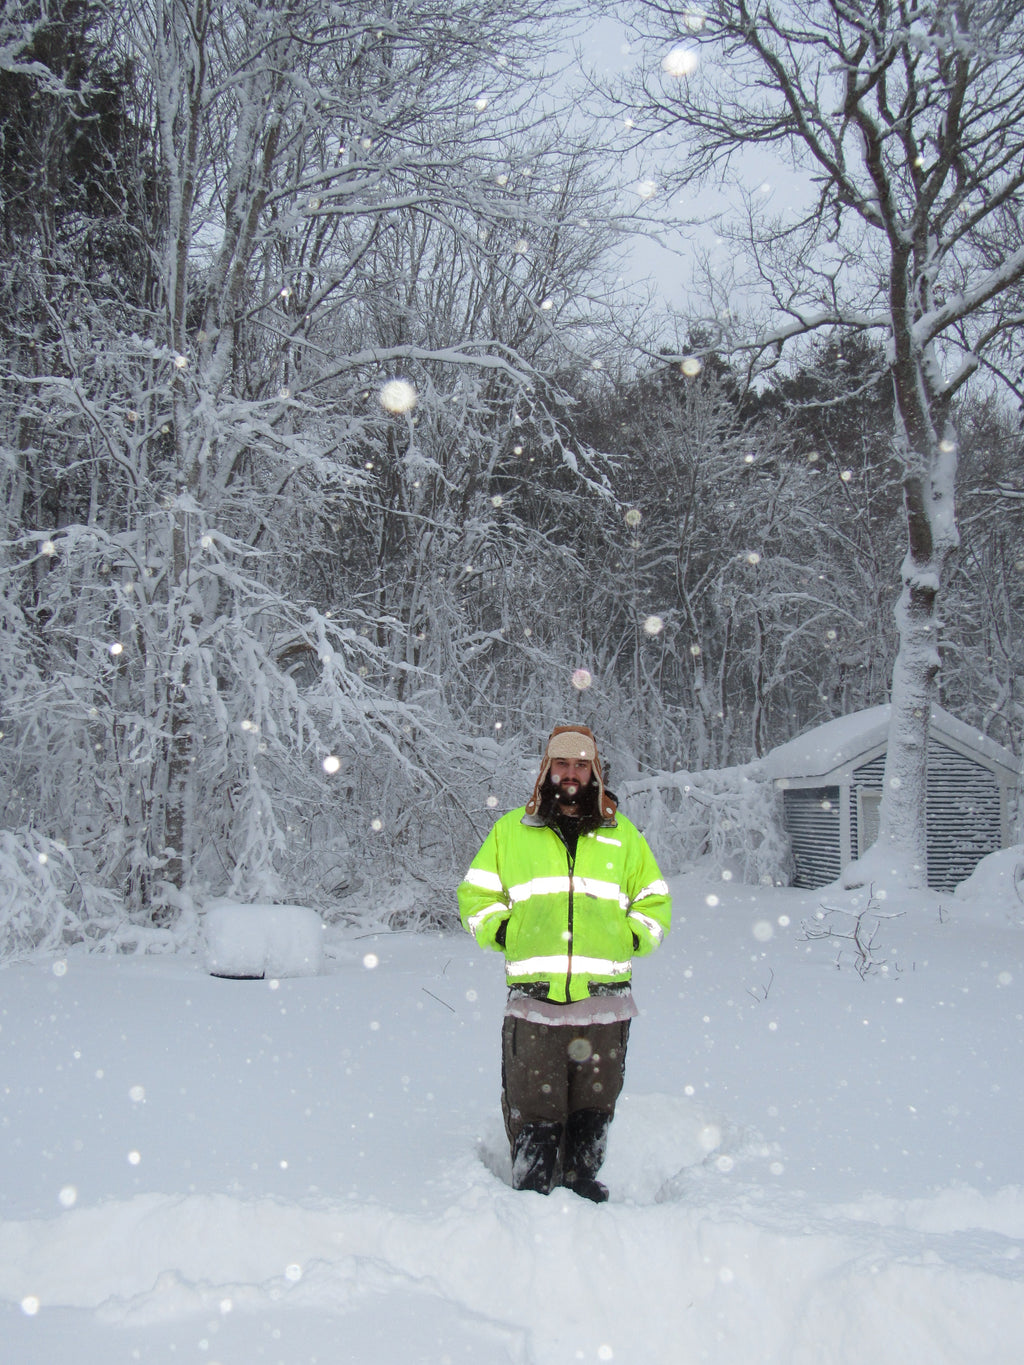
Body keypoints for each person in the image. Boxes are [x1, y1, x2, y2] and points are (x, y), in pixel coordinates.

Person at [458, 724, 671, 1202]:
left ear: (594, 771)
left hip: (604, 1003)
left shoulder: (623, 836)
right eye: (562, 763)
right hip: (535, 1001)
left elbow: (654, 901)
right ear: (546, 770)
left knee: (594, 1104)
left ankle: (583, 1189)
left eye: (580, 764)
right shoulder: (512, 832)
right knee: (534, 1105)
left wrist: (630, 936)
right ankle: (532, 1197)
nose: (570, 773)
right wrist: (505, 930)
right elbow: (475, 897)